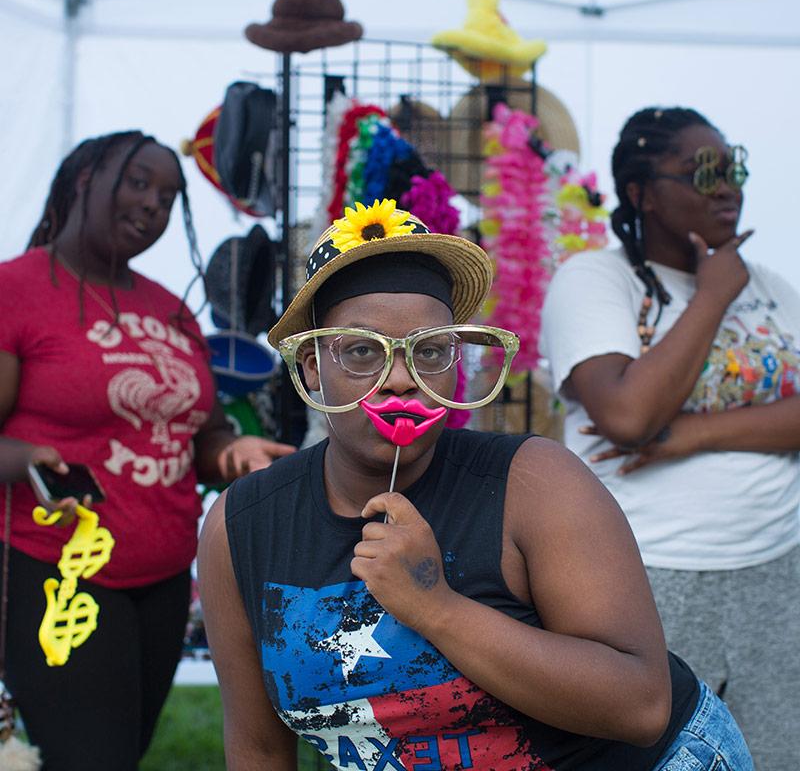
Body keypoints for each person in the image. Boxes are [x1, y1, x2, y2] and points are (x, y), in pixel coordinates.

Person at [198, 198, 752, 770]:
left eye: (430, 351)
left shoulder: (536, 483)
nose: (401, 379)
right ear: (313, 366)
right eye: (362, 351)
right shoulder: (241, 527)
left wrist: (436, 606)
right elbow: (259, 747)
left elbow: (640, 708)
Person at [0, 130, 295, 771]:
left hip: (164, 580)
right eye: (138, 184)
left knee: (122, 752)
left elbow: (203, 434)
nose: (153, 207)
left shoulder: (170, 310)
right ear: (83, 180)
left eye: (168, 197)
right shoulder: (15, 290)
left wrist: (233, 451)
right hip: (61, 571)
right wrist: (27, 458)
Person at [541, 107, 800, 769]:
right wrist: (712, 296)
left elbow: (657, 426)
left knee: (774, 754)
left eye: (732, 167)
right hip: (646, 574)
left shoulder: (770, 288)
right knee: (651, 754)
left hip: (775, 570)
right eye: (702, 171)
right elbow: (628, 415)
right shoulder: (598, 280)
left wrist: (688, 436)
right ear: (641, 193)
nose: (727, 187)